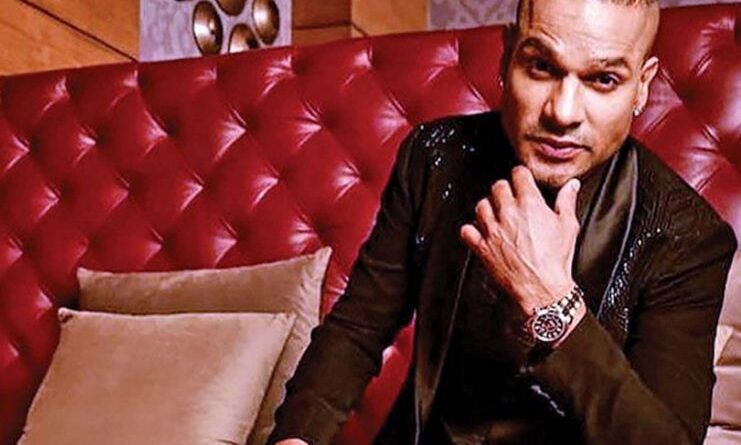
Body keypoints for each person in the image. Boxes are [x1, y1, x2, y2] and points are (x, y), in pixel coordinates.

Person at [268, 0, 738, 444]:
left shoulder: (688, 237)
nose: (562, 112)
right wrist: (297, 436)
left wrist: (552, 304)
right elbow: (357, 329)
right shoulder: (434, 158)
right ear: (507, 54)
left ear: (642, 86)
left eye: (603, 80)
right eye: (541, 67)